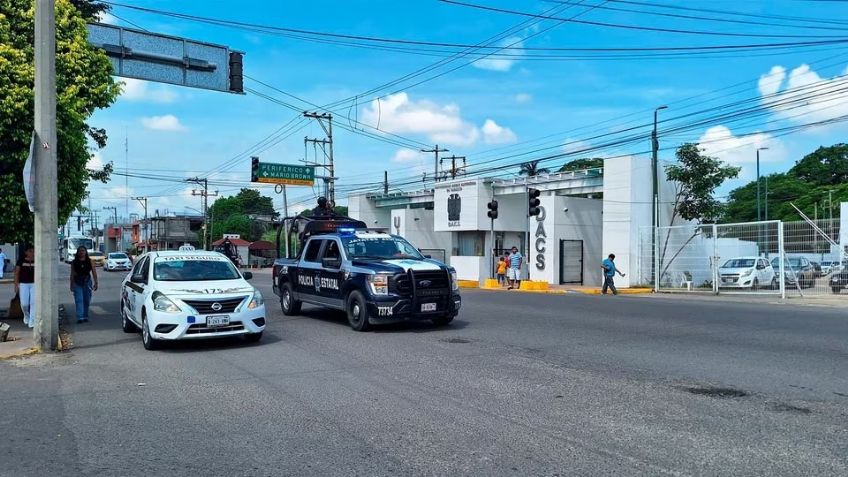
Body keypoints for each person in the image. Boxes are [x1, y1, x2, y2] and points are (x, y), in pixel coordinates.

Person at [70, 245, 98, 323]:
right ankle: (80, 317)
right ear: (77, 252)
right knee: (79, 299)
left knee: (86, 299)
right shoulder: (74, 262)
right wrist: (71, 284)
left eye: (83, 251)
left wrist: (96, 282)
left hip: (87, 282)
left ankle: (85, 316)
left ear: (86, 252)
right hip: (77, 282)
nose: (81, 252)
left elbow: (94, 272)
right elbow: (72, 274)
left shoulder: (90, 261)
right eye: (80, 251)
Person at [14, 245, 35, 328]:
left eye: (33, 251)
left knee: (33, 302)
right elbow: (16, 273)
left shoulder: (37, 260)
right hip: (23, 284)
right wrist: (16, 285)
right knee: (24, 303)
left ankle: (32, 321)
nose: (32, 253)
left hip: (34, 284)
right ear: (26, 252)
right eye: (30, 251)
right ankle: (26, 315)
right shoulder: (21, 261)